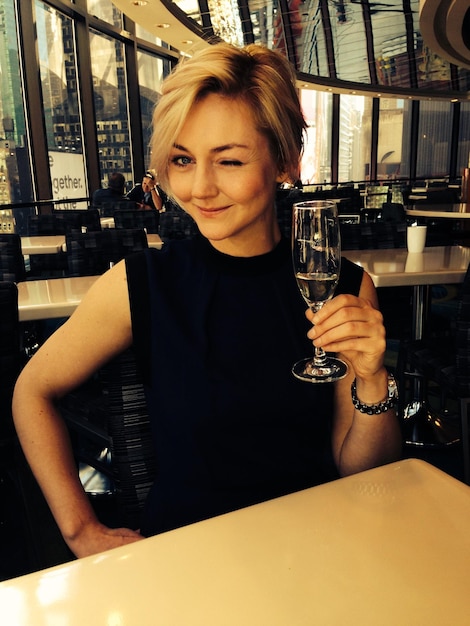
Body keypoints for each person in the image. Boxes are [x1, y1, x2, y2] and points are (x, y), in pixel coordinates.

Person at [13, 43, 402, 559]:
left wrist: (375, 380)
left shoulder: (344, 286)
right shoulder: (140, 285)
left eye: (230, 160)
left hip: (317, 549)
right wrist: (80, 529)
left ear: (285, 162)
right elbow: (31, 391)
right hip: (187, 557)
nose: (200, 187)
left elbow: (364, 477)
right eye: (182, 160)